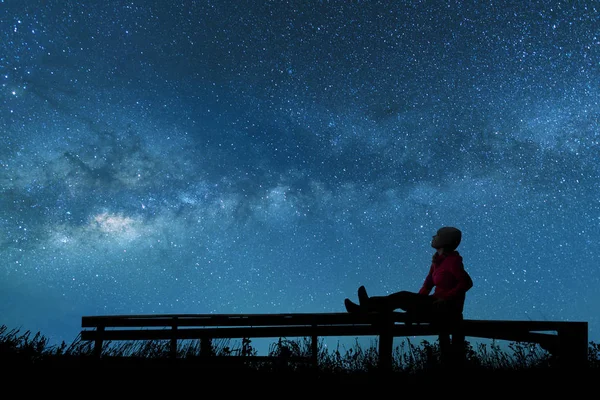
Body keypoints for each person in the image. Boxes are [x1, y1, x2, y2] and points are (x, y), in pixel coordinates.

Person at [344, 226, 473, 322]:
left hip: (446, 308)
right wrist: (416, 303)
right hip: (433, 303)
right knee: (404, 298)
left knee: (403, 296)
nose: (434, 237)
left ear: (446, 241)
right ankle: (366, 308)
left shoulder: (453, 261)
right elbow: (427, 286)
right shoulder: (436, 263)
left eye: (438, 235)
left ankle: (366, 307)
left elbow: (466, 283)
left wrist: (446, 298)